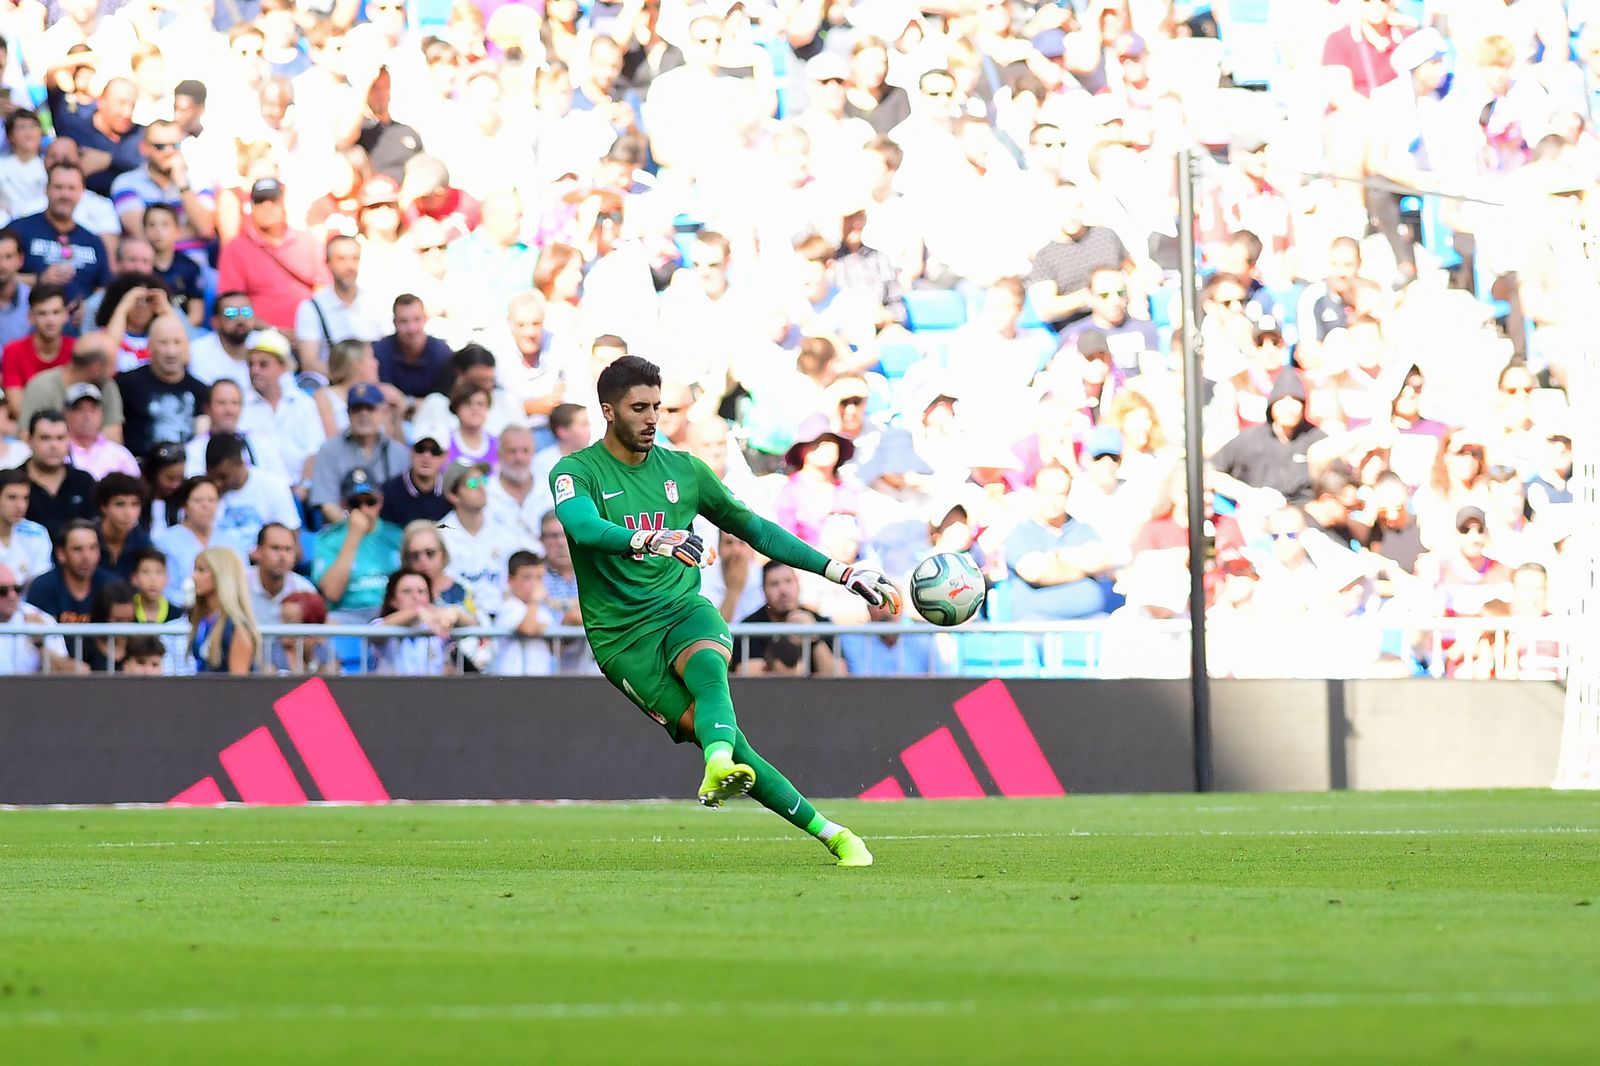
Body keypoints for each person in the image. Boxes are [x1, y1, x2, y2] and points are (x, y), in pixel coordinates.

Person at [550, 356, 888, 865]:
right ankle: (830, 832)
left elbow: (754, 528)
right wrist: (648, 538)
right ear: (608, 411)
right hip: (622, 639)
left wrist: (840, 571)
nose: (651, 418)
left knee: (709, 667)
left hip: (681, 607)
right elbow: (581, 526)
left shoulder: (683, 470)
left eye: (656, 407)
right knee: (730, 745)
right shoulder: (576, 471)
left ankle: (725, 768)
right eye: (638, 408)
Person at [215, 178, 330, 334]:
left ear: (282, 203)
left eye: (272, 200)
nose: (267, 207)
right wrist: (274, 331)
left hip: (310, 333)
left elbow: (324, 289)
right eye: (260, 201)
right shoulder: (236, 249)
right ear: (251, 207)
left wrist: (311, 328)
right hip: (259, 336)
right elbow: (231, 305)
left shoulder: (308, 242)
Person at [1004, 463, 1113, 621]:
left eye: (1060, 494)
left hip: (1092, 619)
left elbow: (1101, 560)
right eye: (1046, 493)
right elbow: (1035, 572)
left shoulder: (1082, 529)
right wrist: (1084, 570)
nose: (1053, 501)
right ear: (1035, 492)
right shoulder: (1020, 533)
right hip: (1037, 623)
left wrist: (1056, 557)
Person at [10, 163, 110, 307]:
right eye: (58, 187)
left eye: (71, 188)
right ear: (46, 189)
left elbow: (103, 288)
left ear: (82, 192)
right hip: (27, 316)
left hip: (81, 320)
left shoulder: (93, 241)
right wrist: (38, 280)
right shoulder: (19, 230)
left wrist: (88, 308)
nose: (65, 195)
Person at [309, 382, 407, 524]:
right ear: (348, 413)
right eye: (357, 409)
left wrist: (379, 532)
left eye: (370, 408)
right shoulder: (329, 450)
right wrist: (355, 529)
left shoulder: (399, 453)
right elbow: (327, 504)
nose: (363, 414)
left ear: (383, 412)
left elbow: (403, 502)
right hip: (343, 530)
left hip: (388, 530)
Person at [313, 468, 403, 623]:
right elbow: (332, 593)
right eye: (355, 503)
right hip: (346, 613)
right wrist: (353, 537)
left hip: (389, 614)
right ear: (343, 504)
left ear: (380, 501)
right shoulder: (327, 540)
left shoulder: (397, 536)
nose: (364, 509)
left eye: (370, 502)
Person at [436, 457, 521, 618]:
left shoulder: (505, 529)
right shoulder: (440, 536)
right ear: (453, 495)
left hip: (502, 620)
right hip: (458, 621)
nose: (481, 487)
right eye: (472, 483)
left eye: (483, 480)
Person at [293, 235, 387, 378]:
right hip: (334, 385)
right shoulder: (312, 308)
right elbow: (310, 363)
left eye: (355, 258)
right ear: (328, 263)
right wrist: (350, 379)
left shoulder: (376, 301)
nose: (349, 266)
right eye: (341, 259)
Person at [115, 313, 208, 458]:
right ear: (149, 346)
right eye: (163, 342)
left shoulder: (201, 390)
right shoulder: (126, 384)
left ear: (187, 346)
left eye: (177, 342)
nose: (171, 351)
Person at [208, 432, 301, 558]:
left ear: (240, 464)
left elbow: (293, 546)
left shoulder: (273, 486)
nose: (217, 483)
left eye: (223, 477)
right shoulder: (206, 491)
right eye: (213, 477)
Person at [370, 567, 469, 676]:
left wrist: (456, 613)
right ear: (392, 600)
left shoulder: (437, 626)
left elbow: (473, 626)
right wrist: (417, 611)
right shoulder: (385, 624)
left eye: (421, 591)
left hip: (431, 687)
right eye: (406, 591)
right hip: (393, 687)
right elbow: (375, 634)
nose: (416, 597)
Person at [16, 409, 97, 536]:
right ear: (30, 440)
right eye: (45, 438)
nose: (54, 445)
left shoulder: (84, 481)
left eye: (60, 438)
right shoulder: (13, 483)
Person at [26, 517, 117, 629]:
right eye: (77, 549)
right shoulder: (42, 587)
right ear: (61, 554)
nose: (87, 557)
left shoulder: (112, 585)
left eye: (93, 548)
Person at [152, 475, 226, 607]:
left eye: (212, 500)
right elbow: (163, 587)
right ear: (185, 505)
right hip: (180, 611)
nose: (206, 506)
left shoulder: (230, 539)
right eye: (198, 500)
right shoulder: (166, 541)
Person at [0, 561, 83, 675]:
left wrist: (41, 645)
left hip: (28, 686)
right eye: (3, 591)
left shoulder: (40, 620)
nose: (12, 596)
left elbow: (69, 673)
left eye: (17, 589)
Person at [2, 285, 74, 416]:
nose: (50, 320)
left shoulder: (77, 350)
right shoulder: (13, 351)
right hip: (27, 425)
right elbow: (17, 407)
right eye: (42, 313)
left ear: (65, 315)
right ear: (30, 317)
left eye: (56, 312)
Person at [188, 546, 260, 674]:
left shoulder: (237, 628)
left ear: (220, 575)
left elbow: (238, 682)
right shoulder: (205, 619)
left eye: (201, 570)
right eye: (195, 570)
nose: (194, 576)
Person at [374, 293, 453, 401]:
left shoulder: (442, 354)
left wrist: (405, 402)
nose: (411, 328)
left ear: (425, 319)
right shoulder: (379, 352)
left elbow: (448, 400)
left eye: (417, 319)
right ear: (394, 323)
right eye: (403, 321)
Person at [494, 549, 557, 675]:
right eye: (527, 578)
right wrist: (535, 601)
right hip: (513, 679)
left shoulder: (543, 611)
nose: (534, 584)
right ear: (510, 580)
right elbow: (528, 629)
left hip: (541, 678)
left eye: (539, 577)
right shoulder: (509, 606)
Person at [380, 428, 452, 527]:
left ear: (445, 456)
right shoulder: (389, 491)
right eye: (420, 449)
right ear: (411, 452)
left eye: (435, 451)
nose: (426, 456)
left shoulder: (452, 491)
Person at [63, 383, 137, 479]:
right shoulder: (58, 453)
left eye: (93, 409)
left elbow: (135, 486)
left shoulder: (120, 455)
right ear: (66, 414)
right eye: (79, 409)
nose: (87, 416)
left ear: (101, 413)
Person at [247, 521, 315, 625]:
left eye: (288, 549)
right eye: (275, 548)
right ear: (258, 551)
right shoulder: (237, 584)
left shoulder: (305, 590)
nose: (282, 556)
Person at [0, 466, 53, 589]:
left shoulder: (37, 533)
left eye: (25, 498)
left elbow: (40, 584)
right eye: (12, 497)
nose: (21, 506)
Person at [93, 472, 151, 579]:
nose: (128, 512)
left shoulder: (143, 543)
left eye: (135, 504)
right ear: (103, 507)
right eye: (120, 504)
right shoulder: (87, 538)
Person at [127, 545, 173, 624]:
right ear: (135, 578)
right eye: (145, 572)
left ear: (167, 578)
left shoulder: (177, 614)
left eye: (159, 572)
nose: (152, 579)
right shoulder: (125, 612)